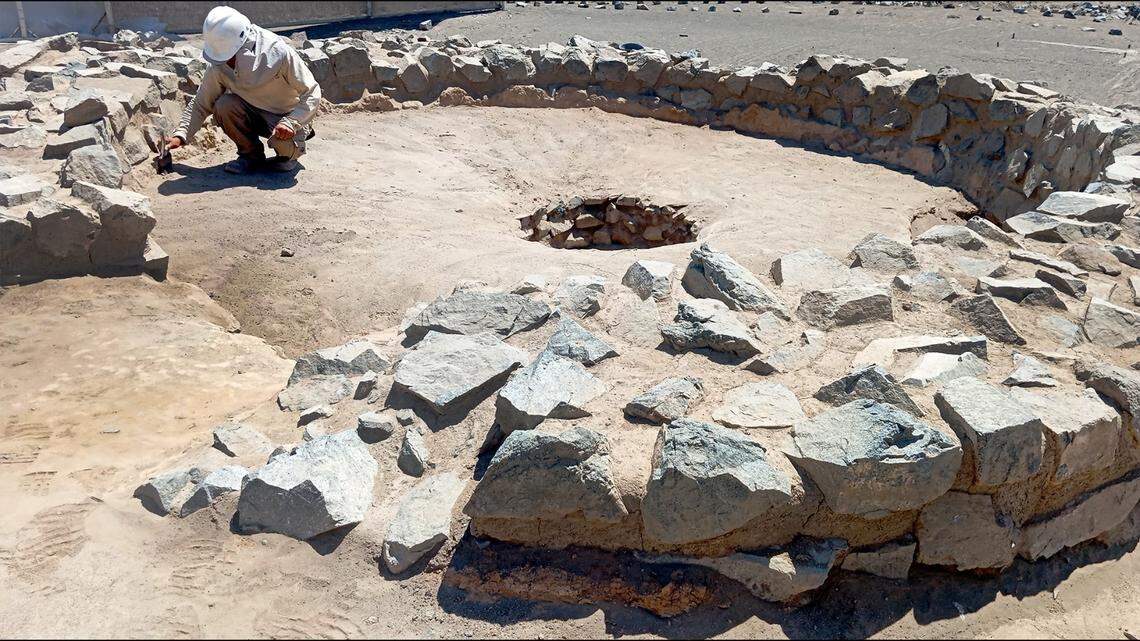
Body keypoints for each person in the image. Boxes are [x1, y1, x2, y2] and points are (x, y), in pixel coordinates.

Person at [164, 6, 321, 174]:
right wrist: (180, 135)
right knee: (224, 105)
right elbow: (202, 103)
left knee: (283, 145)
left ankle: (290, 155)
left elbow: (312, 92)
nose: (227, 62)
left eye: (230, 56)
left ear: (244, 44)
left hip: (286, 117)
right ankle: (250, 156)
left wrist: (292, 122)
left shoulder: (278, 53)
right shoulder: (219, 63)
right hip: (253, 111)